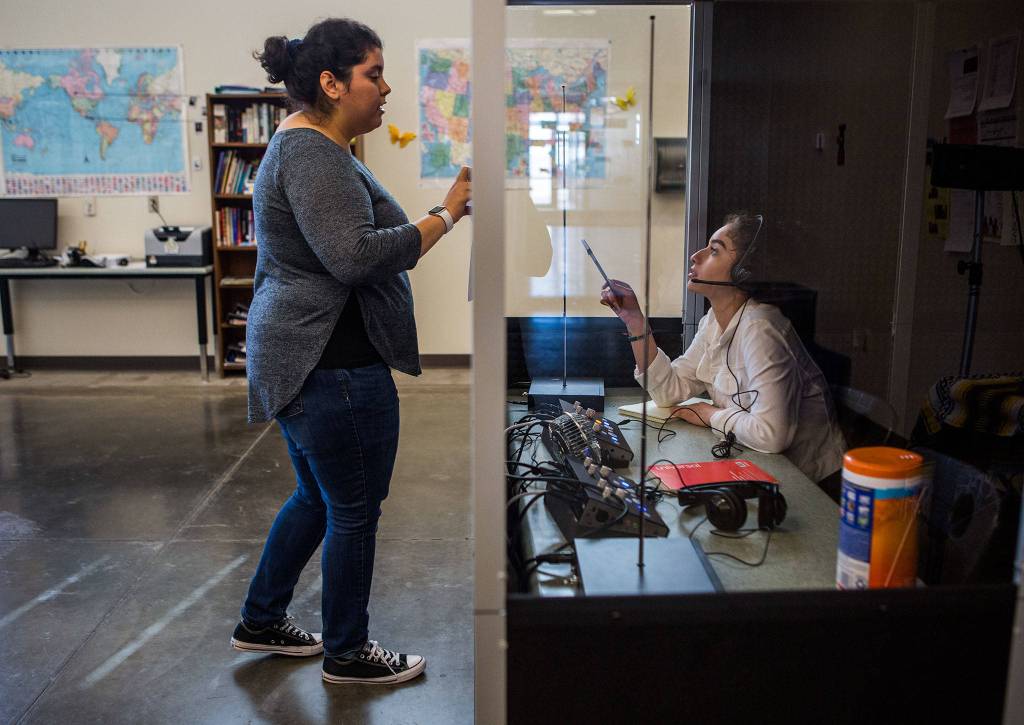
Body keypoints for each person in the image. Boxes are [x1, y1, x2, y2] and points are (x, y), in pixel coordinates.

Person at [229, 18, 470, 686]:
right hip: (329, 366)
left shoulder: (315, 144)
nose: (386, 87)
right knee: (354, 509)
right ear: (330, 84)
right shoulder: (313, 154)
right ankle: (347, 650)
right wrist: (444, 215)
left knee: (317, 496)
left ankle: (262, 619)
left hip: (309, 358)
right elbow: (355, 255)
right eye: (373, 74)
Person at [600, 212, 845, 483]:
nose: (696, 255)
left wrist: (709, 414)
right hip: (761, 464)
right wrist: (635, 321)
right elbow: (668, 392)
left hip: (811, 482)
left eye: (714, 250)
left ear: (743, 272)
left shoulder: (761, 329)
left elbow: (771, 435)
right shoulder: (713, 322)